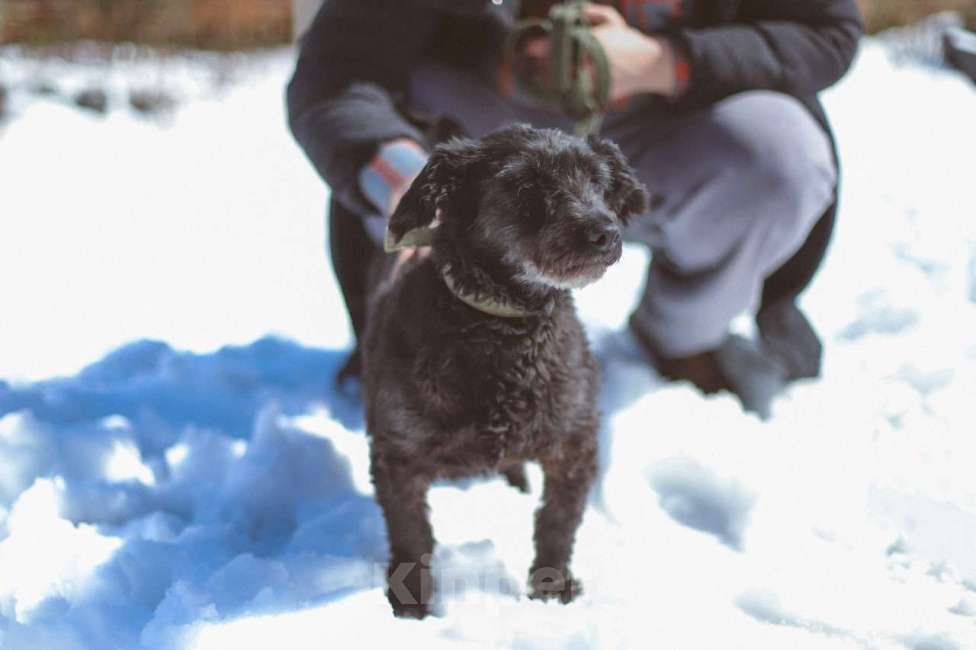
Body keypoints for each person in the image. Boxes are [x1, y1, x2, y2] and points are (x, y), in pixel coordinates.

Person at [286, 0, 863, 416]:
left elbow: (826, 33)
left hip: (669, 116)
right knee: (394, 118)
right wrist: (404, 183)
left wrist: (666, 60)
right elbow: (337, 69)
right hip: (479, 120)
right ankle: (435, 347)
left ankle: (680, 339)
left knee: (780, 156)